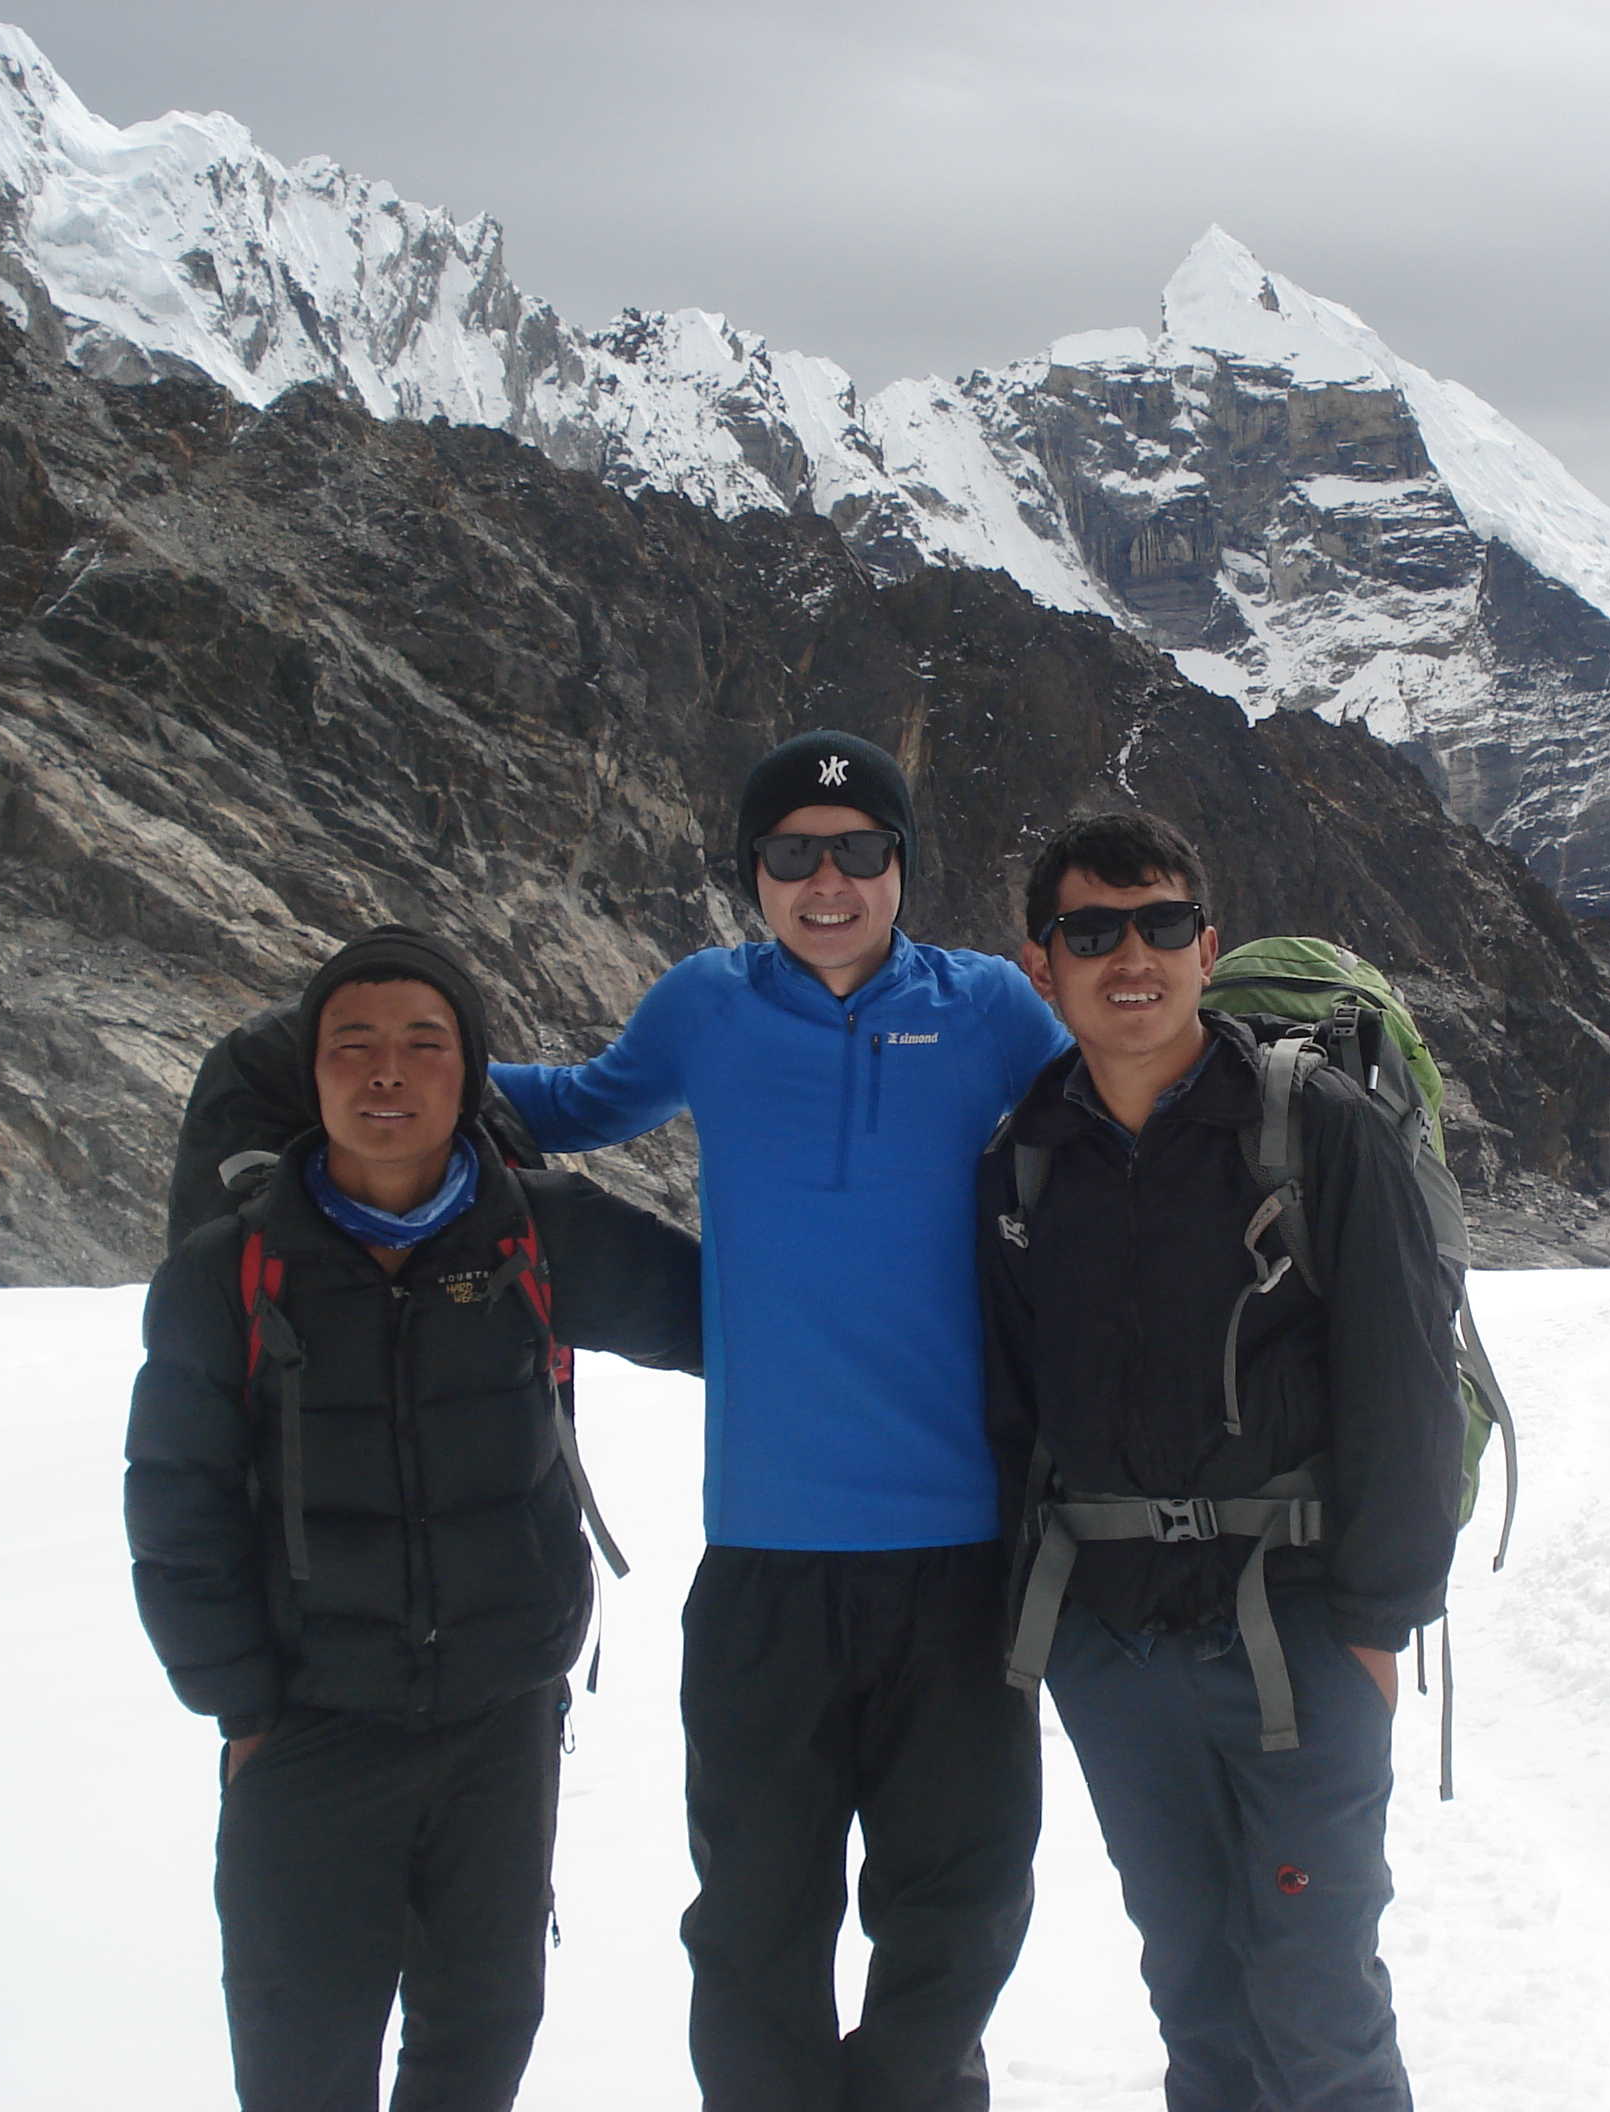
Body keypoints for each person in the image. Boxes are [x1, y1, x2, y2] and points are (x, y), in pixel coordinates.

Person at [487, 730, 1070, 2111]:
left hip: (960, 1561)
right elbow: (570, 1109)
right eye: (794, 853)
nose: (827, 879)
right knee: (753, 1926)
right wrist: (386, 1058)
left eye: (859, 849)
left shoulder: (985, 1009)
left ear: (901, 868)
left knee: (959, 1912)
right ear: (754, 872)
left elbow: (1113, 1115)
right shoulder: (707, 1007)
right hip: (765, 1564)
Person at [126, 925, 706, 2111]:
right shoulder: (226, 1273)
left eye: (422, 1043)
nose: (386, 1070)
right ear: (314, 1071)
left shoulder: (540, 1234)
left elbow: (735, 1321)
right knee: (301, 2049)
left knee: (481, 2030)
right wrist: (241, 1707)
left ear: (468, 1069)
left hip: (503, 1719)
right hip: (309, 1722)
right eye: (354, 1043)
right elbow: (174, 1507)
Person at [977, 813, 1463, 2112]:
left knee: (1319, 2010)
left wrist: (1376, 1627)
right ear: (1043, 963)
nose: (1127, 956)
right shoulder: (1021, 1160)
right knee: (1196, 1997)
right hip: (1113, 1650)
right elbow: (1012, 1414)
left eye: (1158, 925)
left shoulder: (1323, 1134)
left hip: (1297, 1633)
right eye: (1091, 931)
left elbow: (1405, 1388)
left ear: (1207, 945)